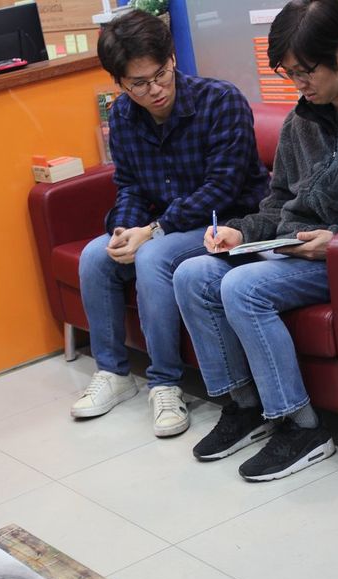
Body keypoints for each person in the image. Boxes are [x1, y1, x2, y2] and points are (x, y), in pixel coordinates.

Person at [173, 0, 338, 481]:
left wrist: (334, 242)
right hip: (293, 251)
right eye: (289, 74)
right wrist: (243, 230)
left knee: (242, 288)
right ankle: (245, 406)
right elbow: (278, 203)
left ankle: (300, 427)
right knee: (192, 273)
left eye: (306, 72)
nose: (299, 85)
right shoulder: (304, 121)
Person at [71, 9, 270, 437]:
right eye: (138, 84)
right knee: (95, 255)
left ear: (173, 59)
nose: (155, 90)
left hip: (228, 220)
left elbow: (222, 187)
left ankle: (165, 382)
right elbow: (130, 186)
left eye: (160, 75)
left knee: (154, 257)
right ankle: (114, 373)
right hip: (166, 224)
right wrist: (124, 229)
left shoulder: (220, 101)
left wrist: (154, 230)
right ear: (119, 83)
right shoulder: (123, 116)